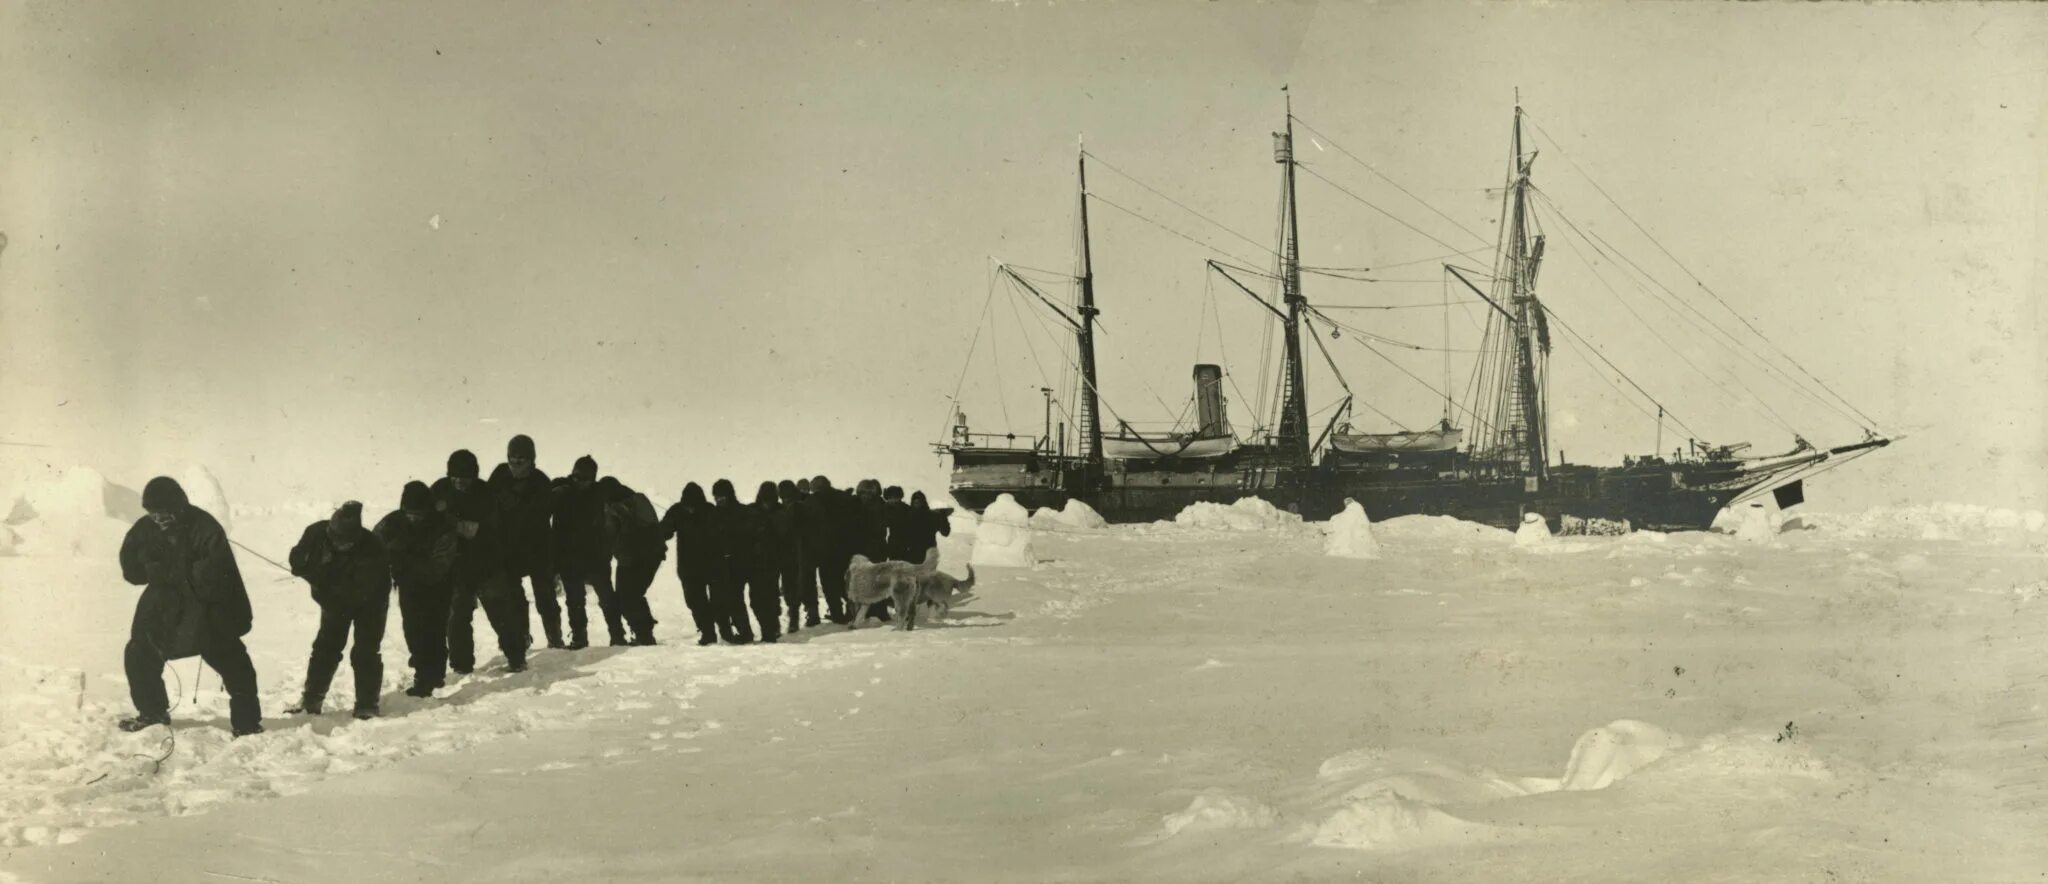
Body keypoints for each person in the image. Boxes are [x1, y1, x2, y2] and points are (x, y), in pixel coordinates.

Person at [116, 477, 263, 736]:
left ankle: (247, 723)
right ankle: (152, 713)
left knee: (235, 664)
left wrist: (169, 569)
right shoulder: (144, 528)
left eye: (165, 513)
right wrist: (150, 566)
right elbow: (132, 571)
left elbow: (215, 577)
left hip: (207, 610)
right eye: (153, 513)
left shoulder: (205, 527)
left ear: (179, 506)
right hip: (164, 609)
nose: (159, 519)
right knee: (139, 653)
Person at [286, 501, 394, 719]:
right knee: (325, 648)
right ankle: (311, 701)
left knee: (366, 651)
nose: (338, 545)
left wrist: (324, 580)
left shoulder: (372, 549)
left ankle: (367, 705)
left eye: (344, 543)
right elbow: (296, 559)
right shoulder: (316, 532)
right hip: (335, 600)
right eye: (334, 539)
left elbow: (360, 591)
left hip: (370, 603)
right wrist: (309, 567)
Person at [438, 449, 529, 674]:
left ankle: (516, 657)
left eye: (465, 478)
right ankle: (461, 665)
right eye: (455, 477)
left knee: (501, 613)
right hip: (456, 568)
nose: (460, 482)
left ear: (474, 476)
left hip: (486, 564)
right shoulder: (439, 490)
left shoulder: (486, 494)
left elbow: (476, 530)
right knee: (457, 616)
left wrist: (448, 521)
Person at [375, 481, 459, 697]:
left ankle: (431, 675)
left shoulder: (443, 526)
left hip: (439, 585)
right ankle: (425, 673)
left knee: (435, 629)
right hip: (408, 585)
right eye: (409, 513)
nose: (413, 518)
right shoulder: (392, 522)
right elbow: (372, 545)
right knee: (413, 629)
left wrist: (403, 557)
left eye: (419, 513)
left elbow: (438, 567)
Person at [490, 434, 562, 649]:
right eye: (511, 460)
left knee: (545, 597)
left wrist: (512, 504)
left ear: (531, 461)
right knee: (514, 600)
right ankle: (521, 638)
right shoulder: (499, 475)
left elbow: (536, 516)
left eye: (520, 462)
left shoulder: (541, 482)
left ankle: (555, 639)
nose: (514, 466)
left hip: (537, 548)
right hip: (510, 550)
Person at [551, 455, 620, 648]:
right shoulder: (561, 489)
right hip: (570, 556)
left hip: (594, 556)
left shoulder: (599, 493)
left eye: (584, 479)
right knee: (575, 601)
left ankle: (617, 635)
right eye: (576, 477)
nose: (579, 482)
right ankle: (579, 638)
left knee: (606, 599)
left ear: (593, 479)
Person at [602, 477, 663, 645]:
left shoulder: (616, 507)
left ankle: (644, 634)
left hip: (631, 559)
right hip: (649, 556)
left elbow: (612, 534)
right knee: (632, 595)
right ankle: (644, 631)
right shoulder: (637, 499)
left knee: (627, 596)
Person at [660, 482, 720, 645]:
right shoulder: (677, 511)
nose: (691, 509)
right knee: (694, 601)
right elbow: (665, 532)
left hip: (709, 564)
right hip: (690, 566)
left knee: (712, 601)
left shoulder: (709, 510)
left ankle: (711, 631)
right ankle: (707, 630)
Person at [706, 479, 755, 644]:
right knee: (718, 602)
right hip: (718, 565)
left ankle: (744, 633)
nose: (718, 500)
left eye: (721, 497)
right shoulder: (713, 514)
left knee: (735, 600)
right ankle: (726, 635)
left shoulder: (742, 512)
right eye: (716, 497)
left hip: (737, 565)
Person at [798, 475, 850, 624]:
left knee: (821, 583)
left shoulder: (811, 501)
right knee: (834, 582)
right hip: (838, 548)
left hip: (817, 549)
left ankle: (822, 614)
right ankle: (840, 612)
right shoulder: (842, 497)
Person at [746, 481, 785, 643]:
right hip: (758, 562)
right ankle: (771, 628)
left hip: (768, 562)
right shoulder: (754, 511)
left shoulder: (755, 510)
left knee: (763, 598)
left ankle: (769, 630)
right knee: (762, 598)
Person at [774, 479, 813, 632]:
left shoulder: (796, 509)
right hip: (792, 554)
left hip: (795, 554)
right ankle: (795, 618)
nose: (784, 499)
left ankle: (795, 619)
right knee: (792, 588)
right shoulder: (796, 507)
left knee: (793, 588)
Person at [899, 491, 954, 564]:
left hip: (927, 553)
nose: (917, 504)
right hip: (912, 552)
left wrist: (943, 516)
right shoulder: (907, 516)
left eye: (919, 502)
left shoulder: (933, 516)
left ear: (923, 502)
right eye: (915, 502)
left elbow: (945, 532)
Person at [881, 485, 917, 562]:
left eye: (895, 497)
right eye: (891, 497)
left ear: (900, 497)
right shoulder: (886, 508)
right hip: (893, 543)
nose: (893, 500)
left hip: (906, 543)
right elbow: (884, 523)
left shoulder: (906, 508)